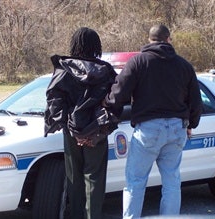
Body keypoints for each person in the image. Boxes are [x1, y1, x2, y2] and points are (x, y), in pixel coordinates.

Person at [104, 24, 202, 218]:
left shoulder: (138, 62)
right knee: (172, 182)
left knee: (135, 182)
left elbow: (118, 93)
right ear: (168, 39)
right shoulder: (184, 66)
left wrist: (106, 107)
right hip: (176, 129)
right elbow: (196, 101)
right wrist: (191, 124)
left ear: (149, 40)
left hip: (148, 130)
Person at [44, 27, 120, 219]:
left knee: (74, 178)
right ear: (96, 46)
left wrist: (71, 129)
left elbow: (54, 101)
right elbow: (115, 103)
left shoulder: (64, 69)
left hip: (71, 132)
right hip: (97, 132)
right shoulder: (106, 71)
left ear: (74, 44)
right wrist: (97, 132)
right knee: (94, 178)